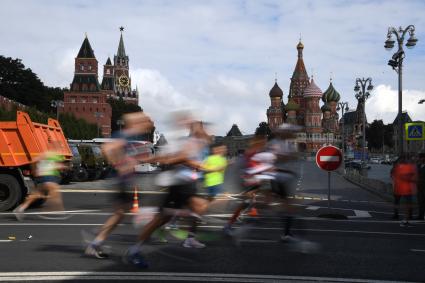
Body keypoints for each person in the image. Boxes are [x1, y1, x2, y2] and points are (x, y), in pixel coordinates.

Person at [123, 113, 211, 268]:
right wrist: (193, 163)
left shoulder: (199, 143)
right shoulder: (188, 143)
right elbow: (175, 158)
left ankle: (187, 234)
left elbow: (176, 158)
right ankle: (134, 250)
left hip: (186, 185)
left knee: (192, 210)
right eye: (198, 127)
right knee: (163, 219)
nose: (203, 131)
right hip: (178, 186)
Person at [84, 112, 154, 259]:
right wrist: (118, 165)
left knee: (120, 214)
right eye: (143, 123)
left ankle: (96, 240)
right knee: (123, 214)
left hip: (124, 180)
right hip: (121, 180)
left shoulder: (130, 137)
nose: (146, 126)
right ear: (135, 123)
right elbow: (106, 149)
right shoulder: (125, 135)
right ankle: (97, 239)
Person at [14, 148, 66, 221]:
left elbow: (34, 161)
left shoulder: (45, 154)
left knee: (36, 194)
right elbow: (58, 166)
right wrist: (60, 167)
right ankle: (51, 210)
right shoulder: (54, 155)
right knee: (54, 191)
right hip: (48, 177)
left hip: (42, 177)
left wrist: (35, 171)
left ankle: (20, 209)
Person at [391, 155, 418, 226]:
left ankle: (402, 216)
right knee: (407, 204)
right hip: (405, 188)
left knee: (402, 203)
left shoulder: (398, 167)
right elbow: (410, 177)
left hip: (400, 188)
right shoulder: (407, 167)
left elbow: (393, 176)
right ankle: (406, 218)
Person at [416, 152, 425, 220]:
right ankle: (420, 215)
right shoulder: (418, 165)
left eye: (420, 157)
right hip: (419, 186)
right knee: (420, 202)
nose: (419, 159)